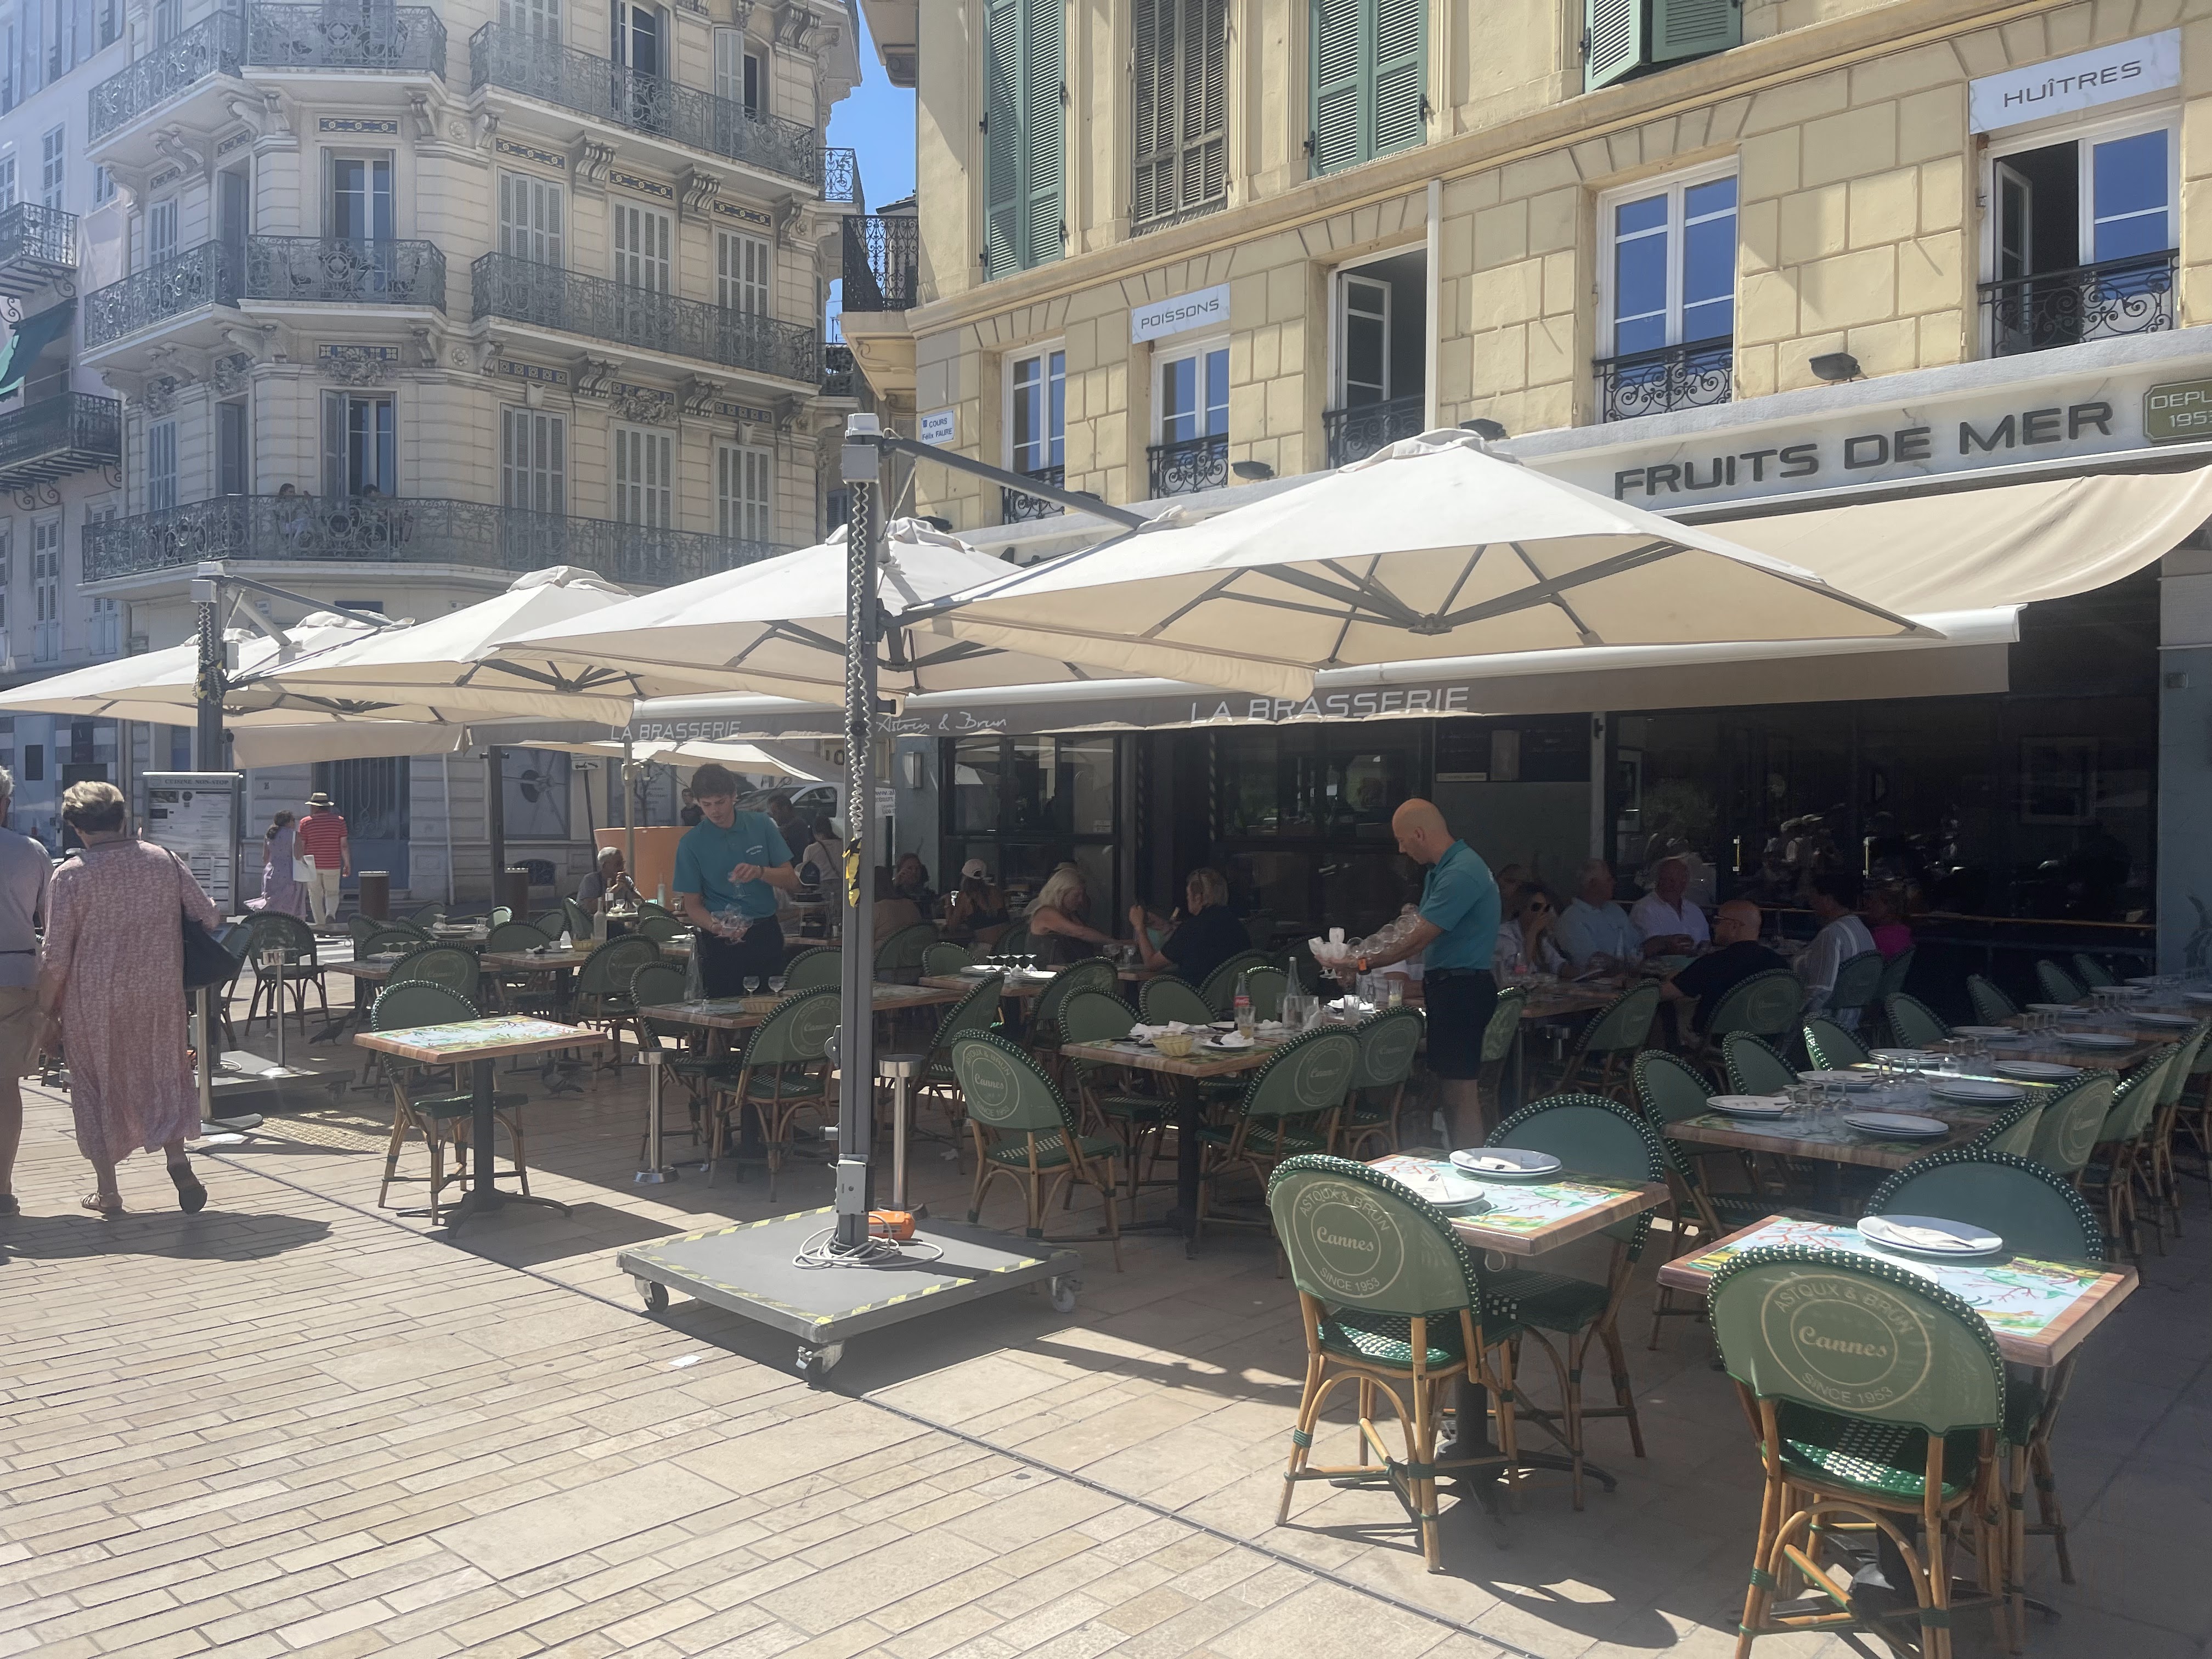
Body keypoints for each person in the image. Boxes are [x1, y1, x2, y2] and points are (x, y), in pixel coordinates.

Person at [36, 782, 220, 1215]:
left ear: (77, 828)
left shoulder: (71, 875)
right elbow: (208, 916)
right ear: (122, 817)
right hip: (159, 994)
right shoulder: (163, 861)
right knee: (164, 1071)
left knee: (95, 1084)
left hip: (93, 1003)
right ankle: (178, 1161)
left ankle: (108, 1191)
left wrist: (43, 1011)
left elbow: (56, 956)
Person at [1343, 800, 1499, 1145]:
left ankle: (1471, 1166)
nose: (1401, 850)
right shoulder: (1443, 870)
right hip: (1452, 986)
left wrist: (1361, 964)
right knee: (1451, 1090)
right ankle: (1462, 1161)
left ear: (1419, 834)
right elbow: (1414, 930)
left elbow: (1417, 940)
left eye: (1402, 840)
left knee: (1460, 1092)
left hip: (1461, 987)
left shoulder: (1460, 873)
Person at [673, 763, 799, 996]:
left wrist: (761, 872)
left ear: (734, 796)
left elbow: (791, 880)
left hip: (765, 931)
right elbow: (692, 905)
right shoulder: (691, 843)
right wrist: (715, 926)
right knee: (724, 1011)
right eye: (707, 804)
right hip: (719, 938)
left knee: (769, 1008)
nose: (714, 811)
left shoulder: (761, 825)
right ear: (697, 802)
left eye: (720, 802)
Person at [0, 768, 48, 1217]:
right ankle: (2, 1187)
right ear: (6, 803)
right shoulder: (31, 851)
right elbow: (53, 921)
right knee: (5, 1085)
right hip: (15, 972)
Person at [1659, 900, 1786, 1036]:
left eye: (1718, 921)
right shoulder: (1780, 963)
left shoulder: (1716, 962)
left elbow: (1663, 994)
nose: (1714, 926)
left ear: (1734, 926)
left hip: (1718, 1039)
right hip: (1766, 1039)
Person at [1129, 866, 1246, 988]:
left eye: (1188, 895)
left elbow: (1152, 964)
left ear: (1198, 898)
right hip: (1231, 996)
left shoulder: (1193, 928)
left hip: (1194, 997)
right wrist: (1165, 926)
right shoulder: (1238, 927)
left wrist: (1140, 928)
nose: (1188, 899)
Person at [1798, 868, 1876, 1012]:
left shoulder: (1832, 934)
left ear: (1828, 901)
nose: (1811, 905)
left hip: (1830, 1019)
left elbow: (1821, 989)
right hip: (1855, 1014)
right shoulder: (1861, 928)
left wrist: (1796, 1012)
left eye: (1814, 898)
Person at [1025, 863, 1116, 966]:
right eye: (1076, 896)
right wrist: (1114, 942)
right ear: (1060, 894)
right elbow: (1081, 933)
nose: (1081, 900)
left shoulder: (1071, 915)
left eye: (1083, 895)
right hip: (1047, 972)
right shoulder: (1046, 913)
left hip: (1070, 969)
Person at [1554, 858, 1638, 970]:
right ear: (1593, 884)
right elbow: (1592, 963)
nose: (1614, 882)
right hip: (1598, 980)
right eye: (1609, 880)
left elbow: (1637, 947)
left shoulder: (1616, 910)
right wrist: (1624, 966)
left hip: (1630, 975)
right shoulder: (1571, 919)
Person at [1629, 855, 1709, 958]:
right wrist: (1668, 943)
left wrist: (1701, 951)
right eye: (1663, 880)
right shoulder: (1644, 908)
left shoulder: (1694, 910)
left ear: (1684, 883)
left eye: (1672, 881)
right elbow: (1647, 948)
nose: (1667, 885)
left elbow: (1706, 943)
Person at [295, 792, 349, 930]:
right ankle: (330, 914)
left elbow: (302, 845)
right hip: (332, 863)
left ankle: (320, 925)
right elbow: (343, 845)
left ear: (314, 807)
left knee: (315, 895)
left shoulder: (305, 822)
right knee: (332, 892)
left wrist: (300, 862)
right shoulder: (339, 821)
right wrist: (347, 863)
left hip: (312, 863)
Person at [1492, 884, 1567, 980]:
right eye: (1536, 907)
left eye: (1546, 908)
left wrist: (1582, 972)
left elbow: (1558, 964)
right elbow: (1518, 974)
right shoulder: (1504, 936)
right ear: (1521, 907)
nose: (1541, 913)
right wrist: (1532, 934)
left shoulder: (1541, 938)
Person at [249, 811, 309, 919]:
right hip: (290, 872)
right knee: (290, 905)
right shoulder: (295, 835)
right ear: (288, 822)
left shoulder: (270, 835)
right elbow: (298, 856)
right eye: (293, 820)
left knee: (272, 904)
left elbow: (265, 858)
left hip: (271, 872)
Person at [945, 856, 1009, 944]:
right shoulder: (996, 891)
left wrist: (947, 903)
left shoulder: (965, 896)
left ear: (964, 877)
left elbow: (952, 927)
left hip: (986, 948)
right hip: (1007, 946)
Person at [577, 847, 639, 918]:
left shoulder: (626, 880)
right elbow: (590, 908)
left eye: (623, 863)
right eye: (618, 864)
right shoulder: (591, 880)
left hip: (618, 922)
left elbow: (642, 905)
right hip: (593, 922)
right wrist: (616, 889)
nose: (622, 868)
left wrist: (630, 889)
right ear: (604, 866)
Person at [1865, 882, 1914, 961]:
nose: (1869, 906)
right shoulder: (1905, 933)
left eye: (1875, 902)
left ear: (1889, 906)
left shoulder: (1878, 939)